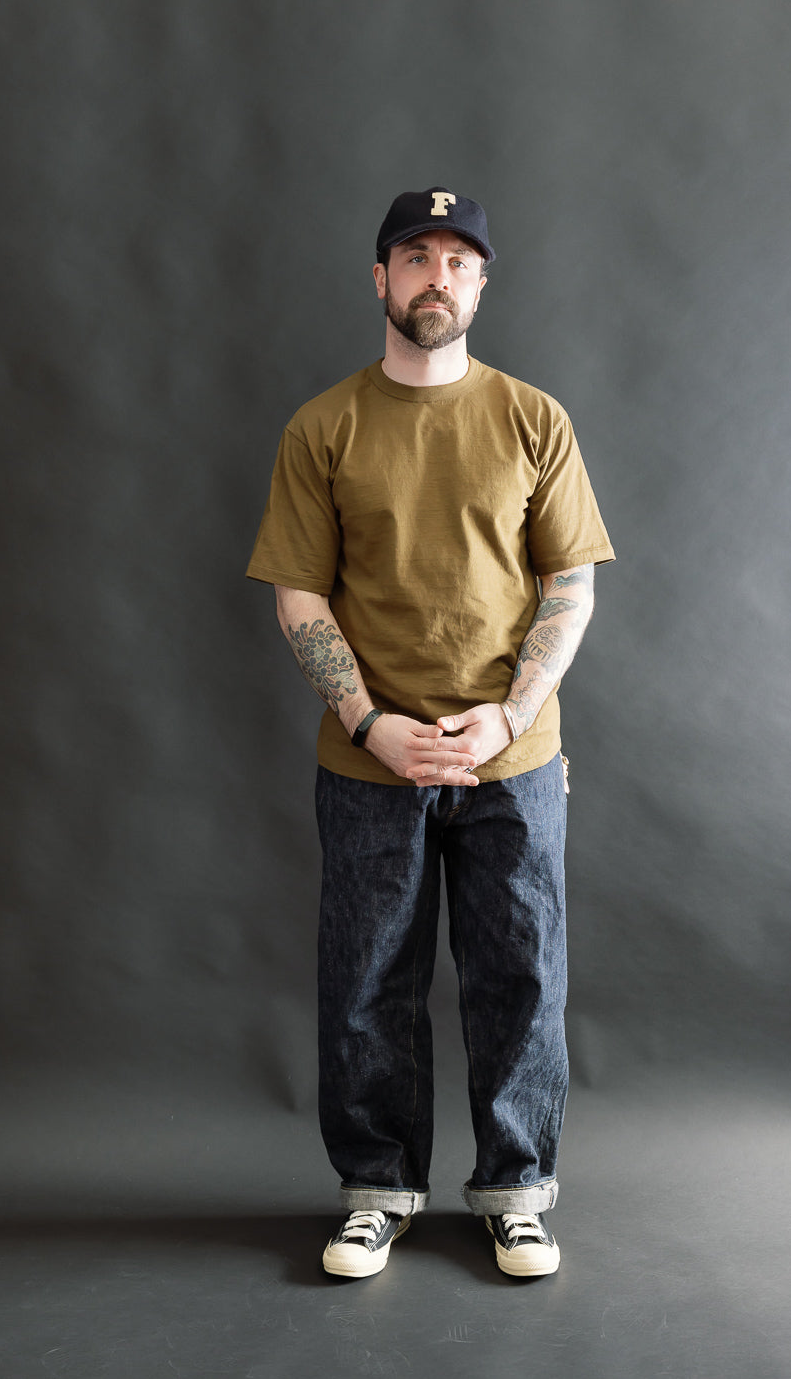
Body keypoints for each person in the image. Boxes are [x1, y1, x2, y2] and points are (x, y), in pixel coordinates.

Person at [246, 187, 614, 1280]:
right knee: (367, 977)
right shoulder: (324, 425)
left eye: (459, 259)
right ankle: (375, 1188)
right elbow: (301, 598)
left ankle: (515, 1193)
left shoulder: (532, 417)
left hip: (514, 756)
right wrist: (369, 720)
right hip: (369, 760)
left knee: (520, 974)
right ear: (381, 278)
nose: (436, 276)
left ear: (483, 282)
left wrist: (508, 709)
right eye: (416, 256)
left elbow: (570, 582)